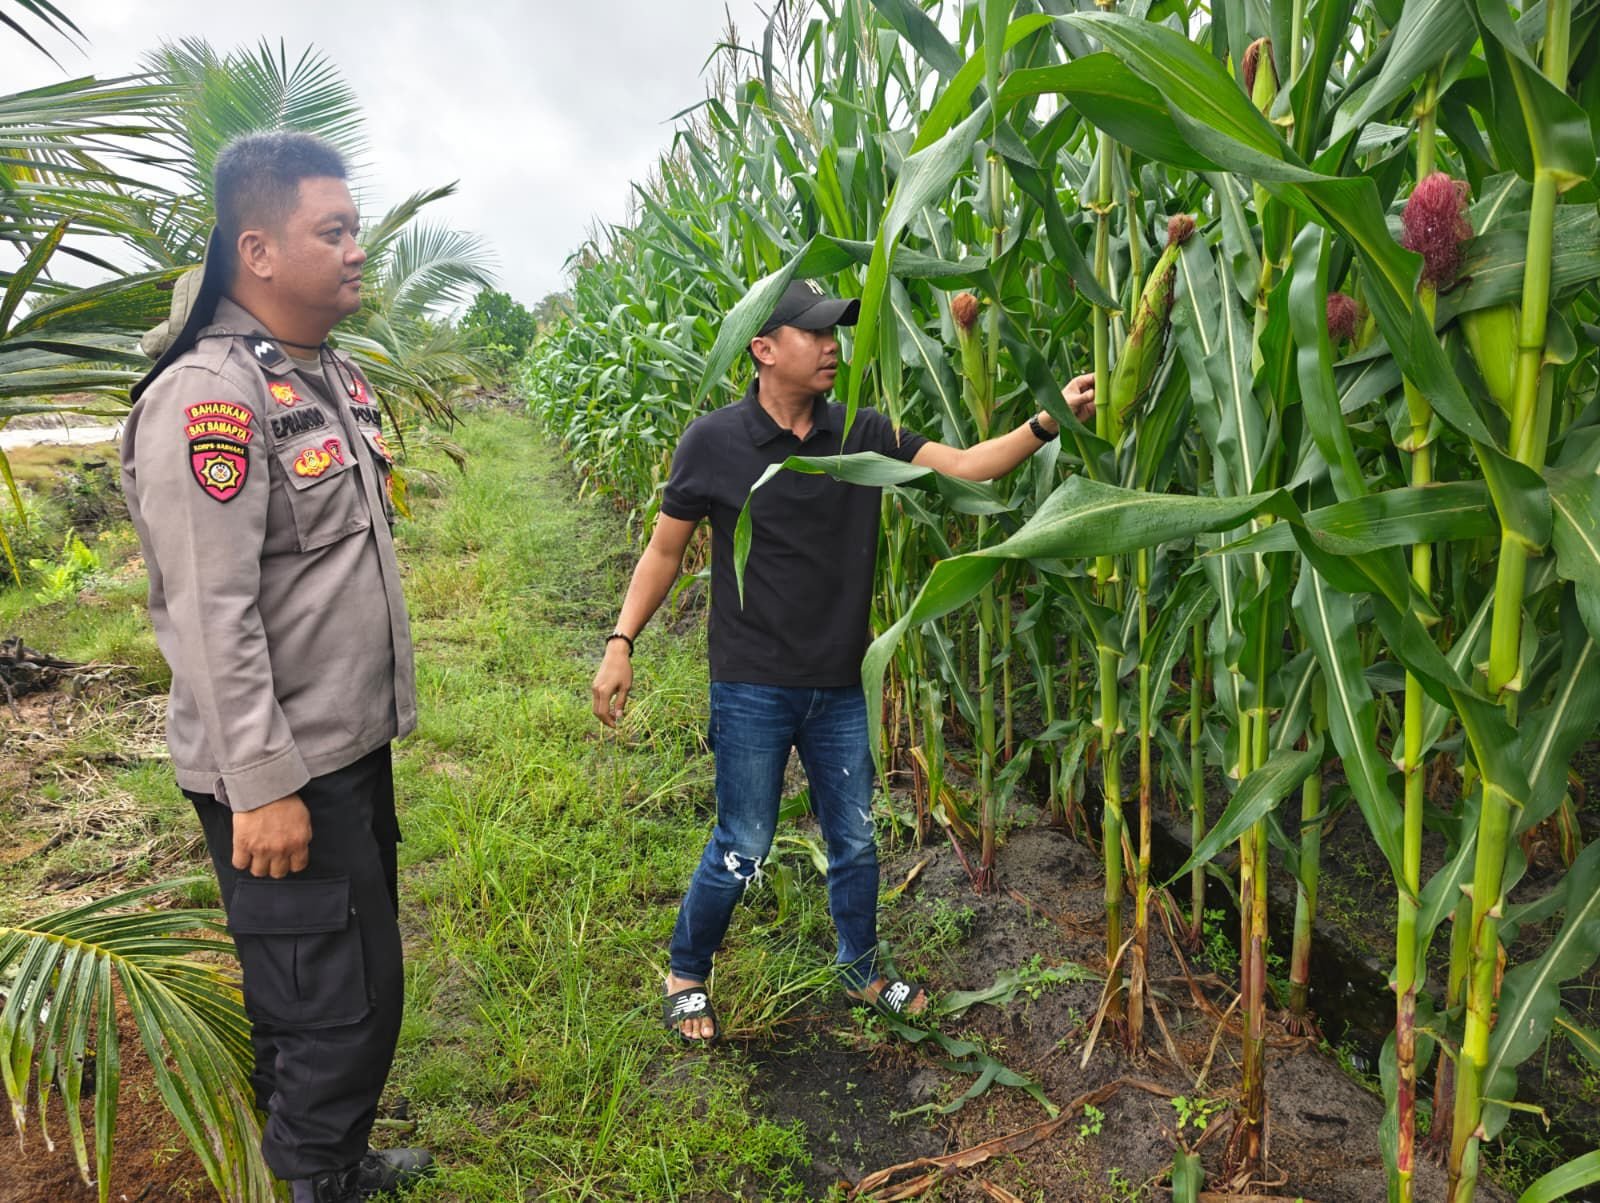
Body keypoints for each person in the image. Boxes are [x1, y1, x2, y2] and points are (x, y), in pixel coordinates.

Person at [591, 279, 1095, 1042]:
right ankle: (687, 970)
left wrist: (1046, 421)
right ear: (763, 349)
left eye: (837, 333)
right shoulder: (713, 442)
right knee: (745, 841)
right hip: (752, 681)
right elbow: (665, 550)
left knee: (855, 837)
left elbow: (966, 465)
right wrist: (621, 643)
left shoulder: (861, 430)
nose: (833, 346)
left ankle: (862, 969)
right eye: (814, 332)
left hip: (841, 682)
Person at [121, 132, 430, 1203]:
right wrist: (263, 787)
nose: (356, 250)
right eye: (332, 232)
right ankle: (312, 1178)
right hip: (284, 771)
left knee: (334, 988)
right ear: (257, 249)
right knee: (334, 1008)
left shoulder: (320, 375)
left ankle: (332, 1161)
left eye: (354, 228)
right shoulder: (210, 399)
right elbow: (212, 615)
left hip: (341, 753)